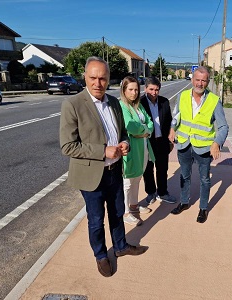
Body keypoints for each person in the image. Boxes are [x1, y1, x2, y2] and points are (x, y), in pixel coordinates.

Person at [59, 57, 147, 278]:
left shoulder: (114, 103)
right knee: (96, 220)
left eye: (103, 78)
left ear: (108, 80)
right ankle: (100, 255)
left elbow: (122, 132)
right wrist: (102, 151)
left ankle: (120, 246)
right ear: (85, 78)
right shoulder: (73, 104)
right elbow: (68, 146)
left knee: (117, 213)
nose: (98, 83)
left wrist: (124, 142)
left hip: (114, 171)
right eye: (93, 78)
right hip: (91, 176)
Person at [168, 66, 229, 223]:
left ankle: (203, 208)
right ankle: (184, 202)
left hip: (203, 147)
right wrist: (172, 128)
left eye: (204, 80)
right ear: (192, 79)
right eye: (197, 79)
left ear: (208, 82)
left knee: (204, 179)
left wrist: (217, 142)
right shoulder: (182, 96)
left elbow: (223, 127)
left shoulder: (214, 101)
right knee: (184, 175)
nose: (200, 83)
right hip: (184, 144)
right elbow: (176, 116)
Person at [119, 76, 155, 226]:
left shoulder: (138, 106)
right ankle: (125, 212)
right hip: (132, 149)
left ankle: (133, 206)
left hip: (144, 147)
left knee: (138, 177)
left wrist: (145, 131)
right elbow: (131, 127)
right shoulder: (122, 106)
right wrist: (145, 130)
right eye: (130, 89)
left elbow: (150, 122)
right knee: (127, 181)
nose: (134, 93)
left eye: (136, 90)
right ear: (124, 90)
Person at [140, 77, 176, 205]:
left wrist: (171, 141)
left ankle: (163, 192)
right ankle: (151, 193)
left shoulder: (164, 102)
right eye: (151, 89)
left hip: (162, 142)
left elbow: (169, 122)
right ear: (145, 89)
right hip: (148, 142)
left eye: (156, 90)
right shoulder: (140, 103)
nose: (154, 93)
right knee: (148, 169)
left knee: (162, 168)